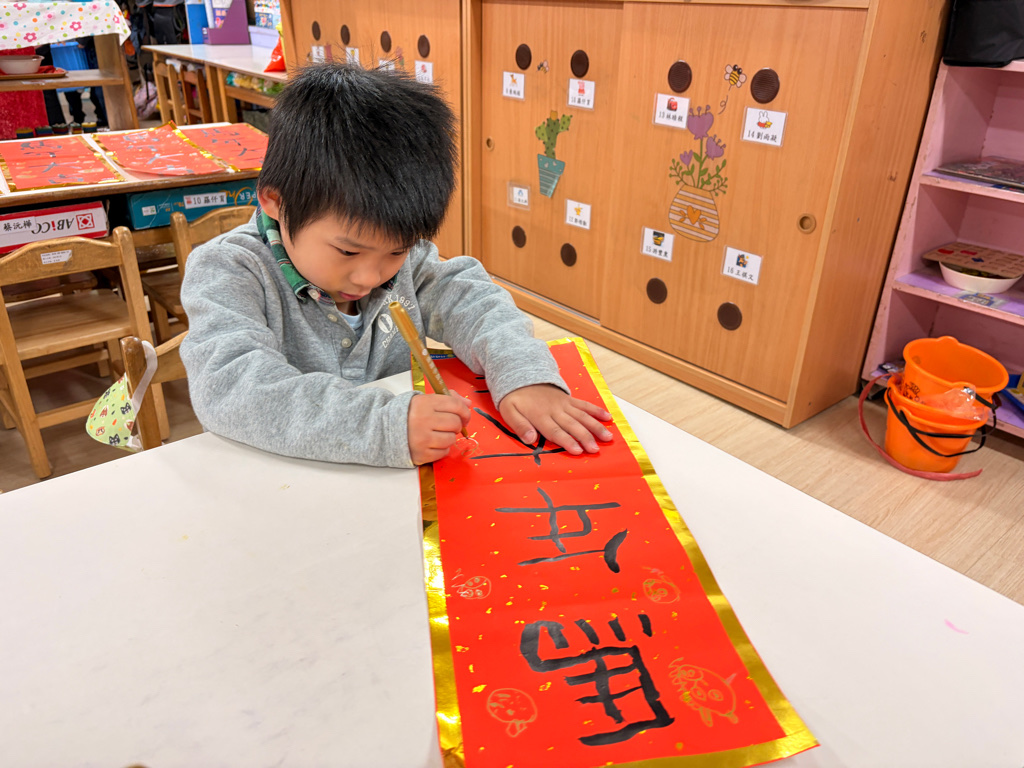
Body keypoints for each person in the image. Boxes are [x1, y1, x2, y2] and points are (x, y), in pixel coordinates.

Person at [180, 63, 612, 468]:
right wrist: (384, 426)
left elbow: (474, 301)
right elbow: (231, 388)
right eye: (348, 252)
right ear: (276, 201)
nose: (370, 278)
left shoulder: (411, 262)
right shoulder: (229, 270)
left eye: (396, 251)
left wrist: (524, 374)